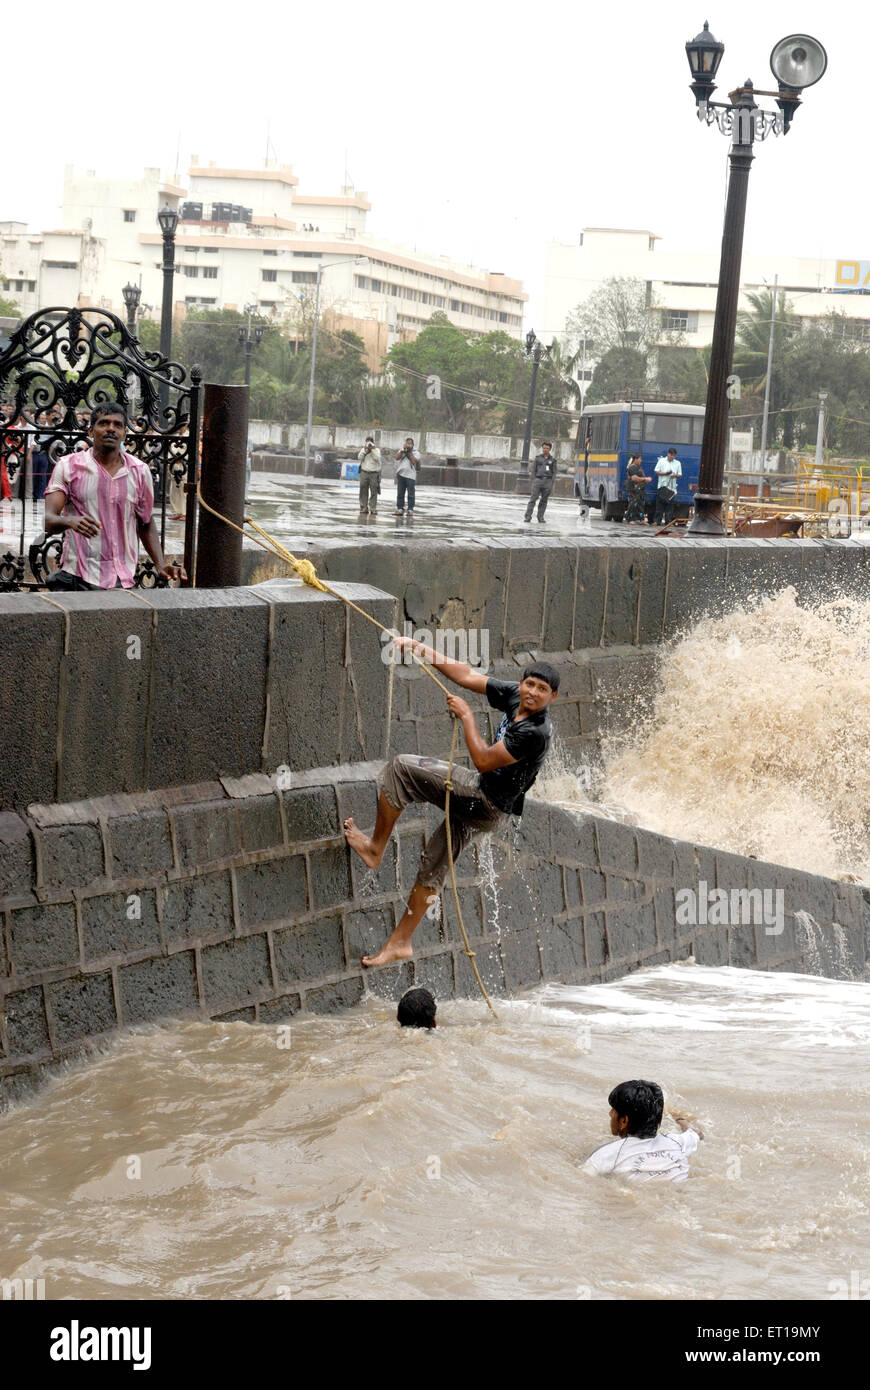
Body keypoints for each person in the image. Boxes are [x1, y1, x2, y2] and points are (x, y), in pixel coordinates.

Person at [344, 641, 558, 967]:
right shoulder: (516, 696)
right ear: (521, 683)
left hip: (483, 800)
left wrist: (468, 716)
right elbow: (466, 674)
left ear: (551, 697)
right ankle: (401, 943)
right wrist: (420, 649)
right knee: (435, 863)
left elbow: (484, 760)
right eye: (529, 684)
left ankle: (375, 848)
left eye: (542, 689)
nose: (532, 692)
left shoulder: (536, 732)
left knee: (400, 768)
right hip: (488, 809)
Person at [43, 402, 186, 590]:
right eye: (104, 423)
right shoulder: (68, 466)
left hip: (124, 579)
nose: (111, 429)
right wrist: (70, 521)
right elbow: (48, 520)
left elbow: (145, 522)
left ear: (124, 434)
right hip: (80, 577)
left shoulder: (140, 471)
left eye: (117, 425)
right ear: (91, 431)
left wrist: (160, 564)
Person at [582, 1080, 703, 1183]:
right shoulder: (676, 1142)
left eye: (613, 1110)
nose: (610, 1113)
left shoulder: (607, 1154)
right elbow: (696, 1133)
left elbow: (582, 1180)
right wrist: (679, 1118)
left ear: (624, 1121)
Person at [524, 441, 557, 523]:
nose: (545, 450)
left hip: (547, 482)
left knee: (544, 501)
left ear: (550, 449)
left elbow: (554, 472)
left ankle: (540, 517)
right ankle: (528, 517)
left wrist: (551, 482)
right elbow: (533, 470)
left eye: (547, 448)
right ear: (542, 448)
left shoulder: (553, 460)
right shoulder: (538, 458)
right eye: (544, 448)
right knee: (533, 499)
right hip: (538, 480)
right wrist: (534, 480)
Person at [653, 447, 681, 526]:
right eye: (671, 455)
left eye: (674, 456)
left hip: (672, 487)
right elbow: (656, 471)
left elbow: (679, 474)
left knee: (670, 506)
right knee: (660, 505)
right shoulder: (661, 461)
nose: (672, 457)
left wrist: (674, 475)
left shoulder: (677, 463)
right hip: (662, 486)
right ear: (668, 454)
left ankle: (668, 522)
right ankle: (657, 521)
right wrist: (665, 473)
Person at [357, 435, 382, 514]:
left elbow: (377, 458)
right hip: (364, 472)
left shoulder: (377, 450)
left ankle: (373, 508)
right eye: (367, 442)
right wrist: (365, 450)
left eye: (370, 442)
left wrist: (372, 450)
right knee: (363, 490)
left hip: (374, 473)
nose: (369, 444)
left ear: (373, 442)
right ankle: (364, 507)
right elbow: (359, 458)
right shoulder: (363, 449)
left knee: (374, 491)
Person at [395, 437, 420, 515]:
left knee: (411, 494)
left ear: (413, 445)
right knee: (400, 493)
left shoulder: (416, 453)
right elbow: (397, 458)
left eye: (410, 443)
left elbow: (413, 461)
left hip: (411, 476)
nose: (408, 445)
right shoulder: (402, 450)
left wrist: (409, 452)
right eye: (407, 443)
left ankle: (410, 509)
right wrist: (403, 450)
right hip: (401, 474)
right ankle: (400, 508)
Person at [624, 453, 650, 526]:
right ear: (636, 459)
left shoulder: (638, 467)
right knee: (633, 504)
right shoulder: (632, 467)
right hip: (633, 489)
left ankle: (641, 519)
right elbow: (634, 478)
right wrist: (645, 479)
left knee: (640, 504)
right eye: (640, 459)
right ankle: (630, 519)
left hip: (640, 490)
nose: (641, 460)